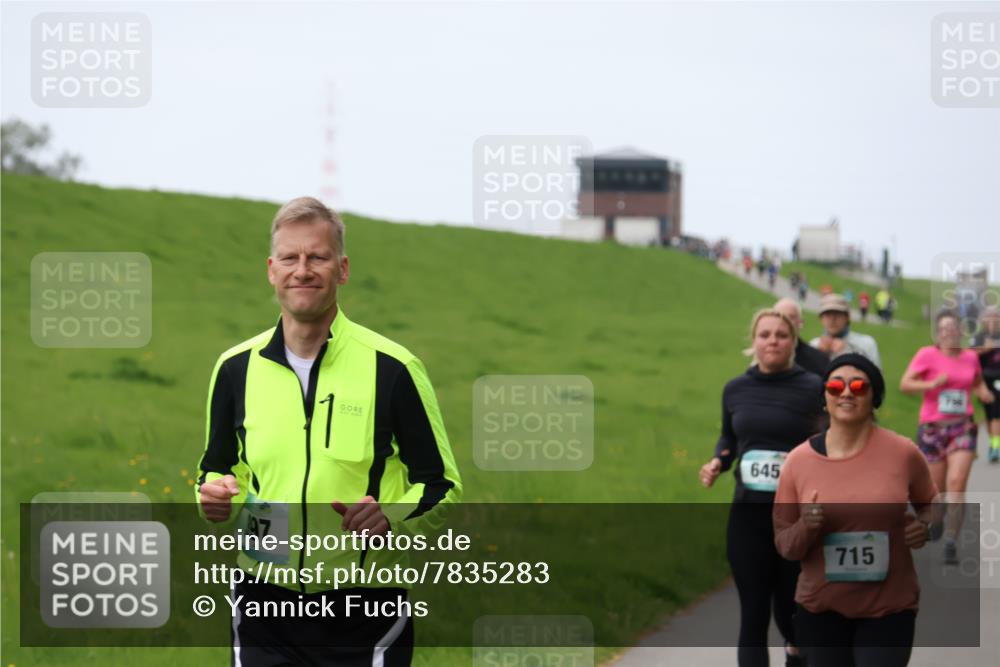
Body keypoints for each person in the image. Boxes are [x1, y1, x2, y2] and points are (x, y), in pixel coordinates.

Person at [196, 197, 463, 666]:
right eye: (290, 258)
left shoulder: (393, 369)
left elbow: (442, 485)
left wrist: (392, 515)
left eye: (317, 257)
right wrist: (215, 497)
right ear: (271, 269)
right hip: (263, 602)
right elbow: (218, 468)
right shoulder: (234, 368)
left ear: (341, 270)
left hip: (363, 609)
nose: (303, 270)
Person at [774, 354, 940, 667]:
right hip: (820, 609)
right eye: (836, 386)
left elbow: (933, 505)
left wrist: (926, 527)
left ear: (873, 397)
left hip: (890, 608)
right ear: (825, 397)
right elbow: (785, 545)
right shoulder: (798, 462)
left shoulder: (903, 453)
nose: (846, 393)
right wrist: (806, 526)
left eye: (859, 386)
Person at [700, 309, 825, 667]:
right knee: (752, 615)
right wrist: (718, 462)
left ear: (793, 342)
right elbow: (730, 436)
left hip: (796, 519)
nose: (772, 341)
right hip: (748, 516)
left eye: (781, 335)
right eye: (765, 334)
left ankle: (796, 655)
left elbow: (827, 444)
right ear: (753, 342)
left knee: (791, 615)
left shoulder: (813, 387)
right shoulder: (736, 389)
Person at [900, 310, 993, 564]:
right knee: (936, 490)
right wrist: (930, 385)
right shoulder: (926, 355)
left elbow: (976, 382)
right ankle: (938, 521)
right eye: (944, 328)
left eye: (953, 328)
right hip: (932, 428)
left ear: (961, 332)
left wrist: (983, 391)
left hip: (962, 427)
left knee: (956, 483)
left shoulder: (970, 357)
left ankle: (951, 541)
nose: (949, 332)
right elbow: (905, 384)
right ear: (938, 334)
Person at [810, 294, 882, 368]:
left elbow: (876, 375)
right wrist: (819, 355)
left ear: (847, 317)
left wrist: (847, 352)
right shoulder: (814, 345)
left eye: (837, 314)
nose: (833, 319)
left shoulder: (867, 343)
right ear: (821, 318)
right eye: (828, 314)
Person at [970, 306, 1000, 462]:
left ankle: (996, 447)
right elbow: (969, 356)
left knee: (996, 412)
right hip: (983, 380)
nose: (993, 321)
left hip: (998, 379)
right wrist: (984, 349)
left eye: (996, 317)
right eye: (989, 317)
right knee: (990, 415)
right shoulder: (978, 337)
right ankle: (993, 444)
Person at [775, 298, 830, 377]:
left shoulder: (819, 359)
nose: (785, 321)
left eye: (791, 317)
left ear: (801, 323)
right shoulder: (765, 357)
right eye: (779, 316)